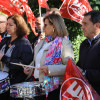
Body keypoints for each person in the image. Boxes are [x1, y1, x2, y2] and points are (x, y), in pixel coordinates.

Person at [27, 14, 74, 100]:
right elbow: (36, 61)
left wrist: (50, 69)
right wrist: (29, 68)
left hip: (54, 88)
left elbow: (70, 67)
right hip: (38, 85)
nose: (43, 28)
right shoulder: (42, 42)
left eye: (45, 25)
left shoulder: (64, 43)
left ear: (54, 26)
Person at [0, 14, 33, 99]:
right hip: (2, 83)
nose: (7, 27)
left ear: (18, 26)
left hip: (15, 85)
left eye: (11, 25)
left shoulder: (24, 43)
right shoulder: (5, 40)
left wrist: (4, 58)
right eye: (7, 24)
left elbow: (25, 64)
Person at [76, 10, 100, 95]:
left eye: (85, 24)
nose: (82, 27)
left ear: (97, 25)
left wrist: (84, 72)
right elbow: (80, 65)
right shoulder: (84, 44)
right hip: (84, 93)